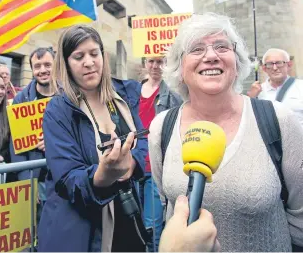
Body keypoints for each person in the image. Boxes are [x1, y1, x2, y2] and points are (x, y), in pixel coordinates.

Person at [149, 13, 303, 251]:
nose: (211, 56)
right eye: (196, 49)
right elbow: (166, 201)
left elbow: (300, 216)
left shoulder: (279, 120)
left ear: (237, 60)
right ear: (179, 67)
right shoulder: (161, 127)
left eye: (221, 46)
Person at [38, 25, 148, 252]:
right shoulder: (58, 110)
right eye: (78, 57)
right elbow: (67, 178)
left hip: (126, 222)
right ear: (66, 63)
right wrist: (102, 175)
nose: (88, 62)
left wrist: (131, 164)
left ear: (103, 56)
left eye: (93, 53)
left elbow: (140, 139)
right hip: (80, 233)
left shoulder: (123, 96)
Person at [137, 55, 183, 251]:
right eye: (151, 61)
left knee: (152, 227)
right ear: (145, 62)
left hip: (155, 169)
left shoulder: (172, 94)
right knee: (135, 225)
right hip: (133, 167)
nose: (155, 66)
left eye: (160, 61)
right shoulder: (132, 90)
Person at [9, 47, 55, 227]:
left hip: (66, 173)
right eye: (37, 66)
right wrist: (26, 182)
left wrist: (54, 142)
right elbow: (16, 145)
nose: (42, 70)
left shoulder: (68, 94)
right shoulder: (22, 99)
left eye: (47, 65)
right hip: (38, 178)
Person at [248, 48, 303, 127]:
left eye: (279, 63)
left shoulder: (300, 87)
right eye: (270, 64)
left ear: (289, 65)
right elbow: (250, 120)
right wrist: (251, 98)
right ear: (264, 68)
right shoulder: (258, 91)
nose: (275, 68)